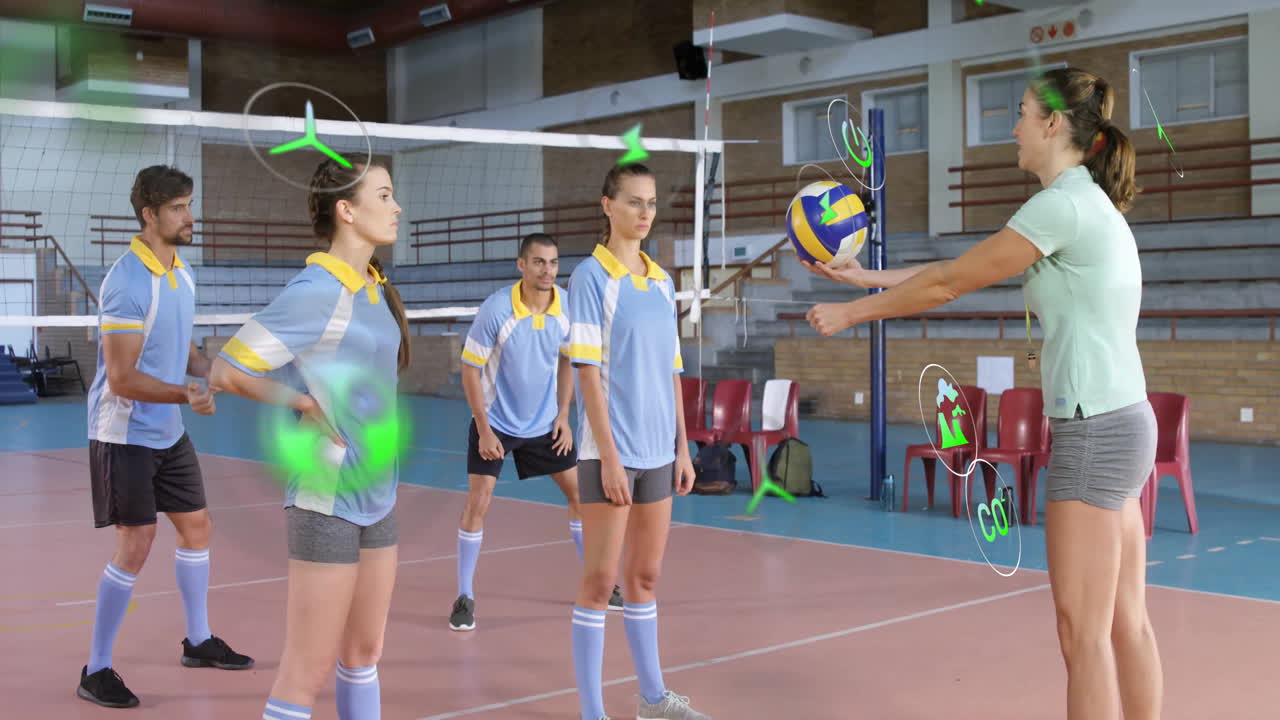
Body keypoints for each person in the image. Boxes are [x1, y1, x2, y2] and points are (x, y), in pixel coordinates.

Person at [805, 67, 1161, 720]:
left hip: (1091, 433)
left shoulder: (1062, 205)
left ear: (1054, 124)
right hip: (1127, 423)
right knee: (1124, 622)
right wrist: (867, 279)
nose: (1014, 126)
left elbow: (948, 285)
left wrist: (851, 316)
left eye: (1023, 113)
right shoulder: (1082, 201)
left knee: (1080, 633)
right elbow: (960, 268)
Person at [208, 158, 410, 720]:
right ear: (347, 210)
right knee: (305, 673)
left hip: (378, 491)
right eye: (385, 195)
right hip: (327, 492)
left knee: (364, 653)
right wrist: (299, 401)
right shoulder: (317, 290)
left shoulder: (371, 284)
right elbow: (227, 370)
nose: (396, 208)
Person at [78, 165, 253, 709]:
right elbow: (124, 378)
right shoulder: (126, 280)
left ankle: (198, 641)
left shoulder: (182, 272)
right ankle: (96, 668)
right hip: (124, 431)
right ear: (150, 214)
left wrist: (215, 370)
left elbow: (186, 353)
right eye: (178, 207)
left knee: (198, 528)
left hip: (168, 432)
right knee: (136, 544)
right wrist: (188, 394)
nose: (189, 216)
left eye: (190, 205)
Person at [567, 163, 709, 720]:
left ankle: (653, 701)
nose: (644, 213)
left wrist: (683, 446)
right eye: (633, 202)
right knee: (601, 583)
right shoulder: (589, 279)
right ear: (607, 206)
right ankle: (592, 712)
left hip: (658, 453)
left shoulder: (662, 281)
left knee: (644, 578)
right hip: (610, 454)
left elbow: (673, 370)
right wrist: (607, 457)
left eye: (650, 203)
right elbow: (585, 374)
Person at [451, 232, 615, 631]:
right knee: (480, 502)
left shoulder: (565, 309)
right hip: (496, 423)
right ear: (521, 265)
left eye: (554, 263)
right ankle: (464, 595)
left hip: (543, 425)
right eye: (539, 262)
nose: (547, 270)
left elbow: (567, 361)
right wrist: (484, 429)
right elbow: (470, 370)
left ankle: (596, 584)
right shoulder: (496, 309)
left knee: (580, 495)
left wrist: (563, 414)